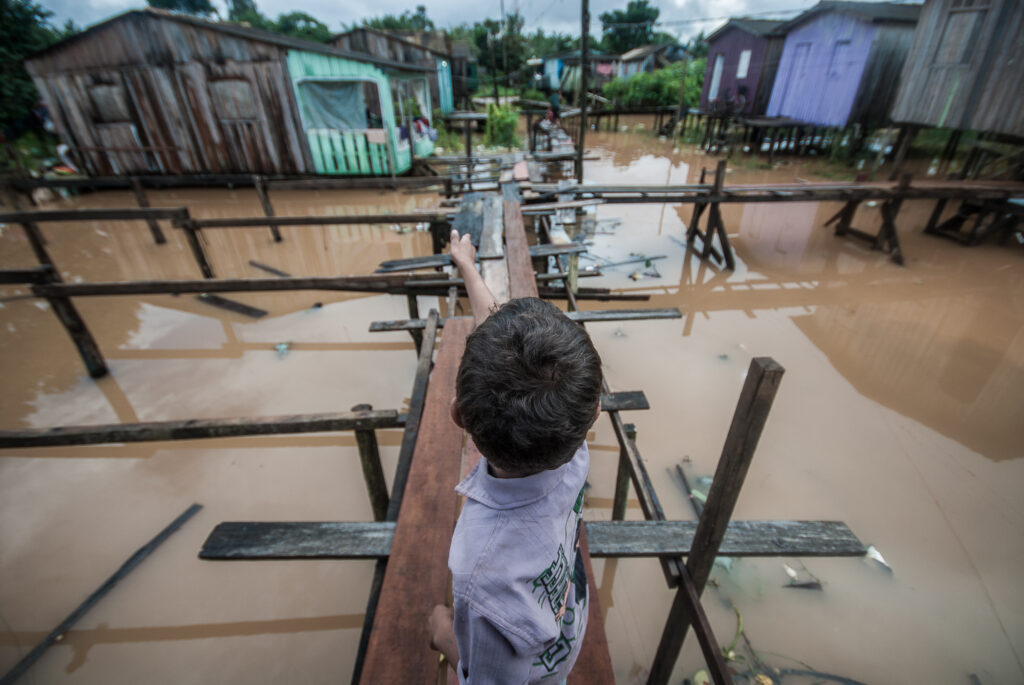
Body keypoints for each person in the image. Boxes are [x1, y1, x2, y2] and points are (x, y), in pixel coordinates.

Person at [429, 229, 603, 683]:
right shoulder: (572, 446)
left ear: (457, 416)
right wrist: (468, 266)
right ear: (595, 414)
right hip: (565, 624)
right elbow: (495, 326)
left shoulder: (483, 574)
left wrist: (445, 637)